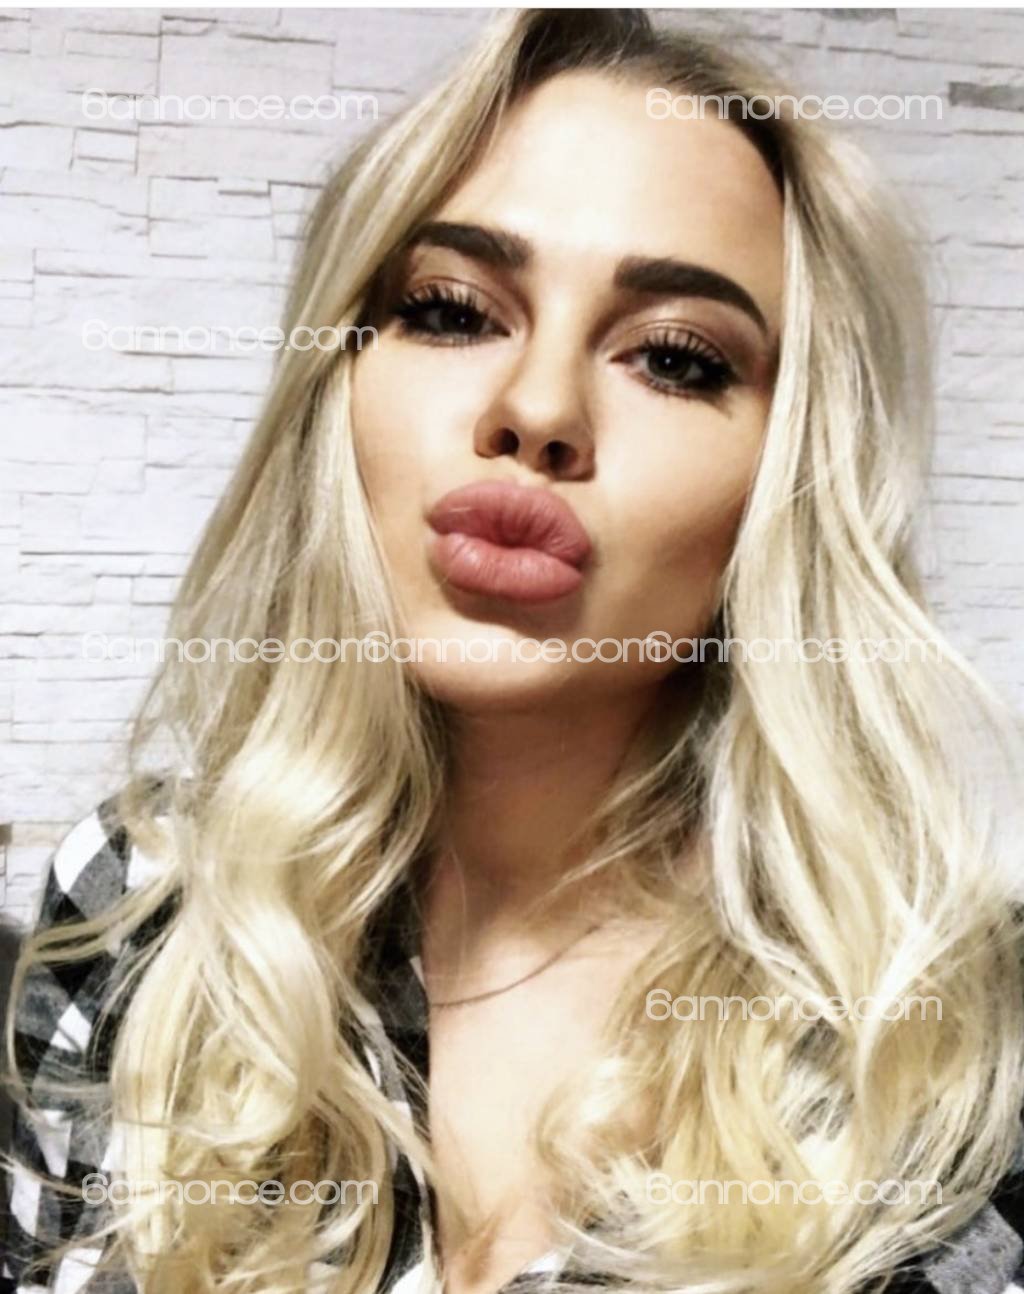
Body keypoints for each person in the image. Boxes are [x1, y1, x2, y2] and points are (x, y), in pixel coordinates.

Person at [4, 10, 1024, 1294]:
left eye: (674, 358)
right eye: (448, 311)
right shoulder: (145, 914)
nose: (537, 410)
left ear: (790, 475)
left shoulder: (950, 1055)